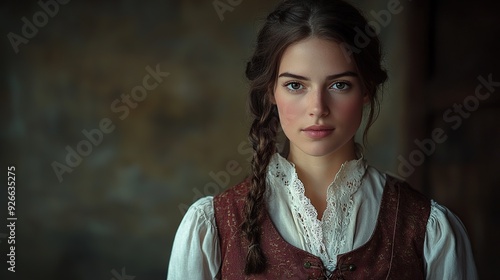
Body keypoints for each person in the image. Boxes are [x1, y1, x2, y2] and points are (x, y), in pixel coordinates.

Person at [167, 0, 478, 279]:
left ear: (366, 90)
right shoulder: (212, 225)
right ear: (270, 91)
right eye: (295, 86)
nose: (317, 108)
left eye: (340, 85)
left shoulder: (429, 229)